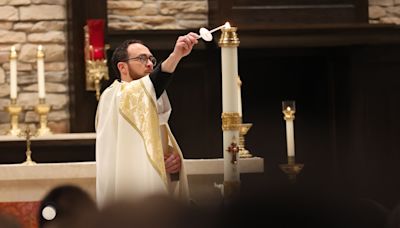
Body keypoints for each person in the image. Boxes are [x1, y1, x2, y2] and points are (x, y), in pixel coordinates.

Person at [95, 32, 198, 208]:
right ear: (123, 67)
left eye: (151, 59)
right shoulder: (115, 97)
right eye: (142, 59)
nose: (150, 64)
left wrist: (170, 162)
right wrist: (176, 55)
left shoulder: (144, 99)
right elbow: (156, 81)